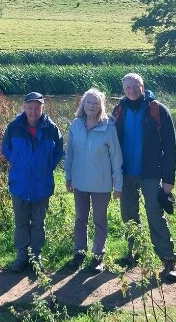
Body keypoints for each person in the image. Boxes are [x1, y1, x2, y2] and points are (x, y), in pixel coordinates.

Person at [112, 73, 176, 283]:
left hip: (151, 174)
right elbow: (110, 143)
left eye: (135, 86)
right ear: (123, 89)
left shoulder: (157, 110)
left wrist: (168, 180)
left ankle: (168, 261)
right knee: (128, 216)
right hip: (126, 174)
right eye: (127, 87)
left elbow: (170, 147)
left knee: (155, 216)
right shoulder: (119, 110)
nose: (131, 90)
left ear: (143, 87)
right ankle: (135, 253)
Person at [2, 92, 64, 273]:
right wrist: (20, 164)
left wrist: (45, 167)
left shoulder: (51, 128)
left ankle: (36, 256)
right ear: (24, 108)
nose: (33, 111)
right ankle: (22, 256)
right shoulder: (14, 127)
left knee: (38, 223)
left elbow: (59, 151)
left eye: (37, 108)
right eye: (30, 107)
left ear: (42, 108)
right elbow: (6, 150)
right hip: (19, 184)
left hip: (42, 184)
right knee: (21, 223)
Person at [64, 88, 123, 274]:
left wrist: (118, 184)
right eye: (88, 102)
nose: (91, 106)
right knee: (80, 219)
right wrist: (68, 176)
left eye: (95, 103)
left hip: (101, 185)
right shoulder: (75, 125)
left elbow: (116, 158)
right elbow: (70, 153)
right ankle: (79, 253)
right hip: (80, 183)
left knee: (99, 220)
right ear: (83, 104)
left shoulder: (108, 127)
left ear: (101, 107)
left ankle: (98, 256)